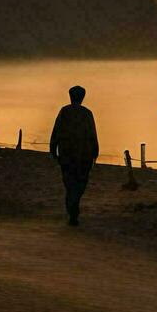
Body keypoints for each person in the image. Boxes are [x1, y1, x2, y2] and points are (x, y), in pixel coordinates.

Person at [49, 85, 100, 226]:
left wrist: (53, 150)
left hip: (67, 154)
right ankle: (73, 209)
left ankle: (72, 209)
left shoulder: (64, 112)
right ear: (83, 97)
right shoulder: (87, 113)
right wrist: (95, 152)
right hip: (84, 155)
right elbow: (92, 134)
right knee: (80, 183)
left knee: (69, 182)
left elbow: (56, 132)